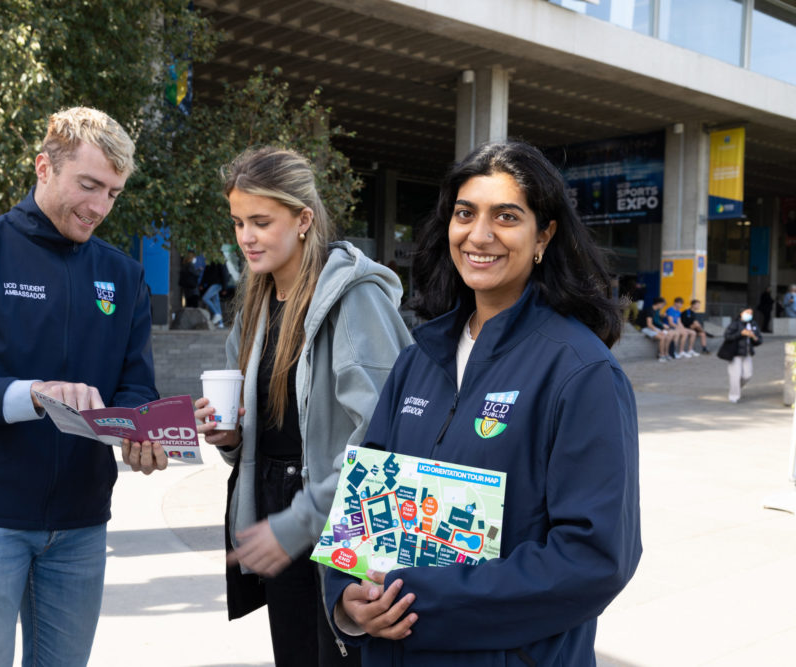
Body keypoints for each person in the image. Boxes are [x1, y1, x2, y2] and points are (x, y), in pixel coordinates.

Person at [325, 141, 642, 666]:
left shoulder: (581, 373)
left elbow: (595, 558)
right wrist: (344, 595)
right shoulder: (418, 357)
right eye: (465, 213)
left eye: (507, 217)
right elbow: (359, 504)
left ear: (544, 235)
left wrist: (420, 595)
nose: (479, 235)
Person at [0, 107, 166, 667]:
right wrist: (30, 395)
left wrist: (140, 430)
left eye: (113, 193)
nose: (99, 208)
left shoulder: (124, 276)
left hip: (82, 523)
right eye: (88, 185)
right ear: (44, 167)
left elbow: (135, 386)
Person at [194, 147, 412, 666]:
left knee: (341, 656)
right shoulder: (255, 303)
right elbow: (269, 424)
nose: (246, 236)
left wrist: (299, 521)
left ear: (303, 219)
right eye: (238, 222)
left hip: (341, 515)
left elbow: (387, 436)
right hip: (278, 507)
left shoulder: (355, 298)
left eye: (261, 221)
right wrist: (230, 439)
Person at [716, 307, 763, 403]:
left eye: (751, 313)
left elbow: (759, 340)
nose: (749, 315)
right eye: (747, 313)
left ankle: (736, 387)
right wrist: (741, 333)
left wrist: (753, 337)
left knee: (748, 375)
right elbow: (727, 336)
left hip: (747, 353)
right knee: (735, 375)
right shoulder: (735, 324)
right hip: (735, 353)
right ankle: (734, 395)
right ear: (741, 313)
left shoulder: (753, 324)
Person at [639, 296, 673, 362]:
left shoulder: (656, 310)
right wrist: (658, 331)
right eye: (663, 304)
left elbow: (656, 321)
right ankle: (661, 355)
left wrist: (661, 329)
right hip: (645, 328)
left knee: (668, 335)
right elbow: (649, 325)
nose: (663, 306)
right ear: (659, 304)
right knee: (662, 337)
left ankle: (666, 354)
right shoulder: (650, 310)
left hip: (652, 328)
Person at [201, 260, 227, 327]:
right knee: (216, 303)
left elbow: (224, 274)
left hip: (217, 284)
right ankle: (221, 323)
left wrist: (224, 287)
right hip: (213, 284)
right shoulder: (209, 261)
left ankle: (217, 314)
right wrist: (202, 284)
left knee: (205, 298)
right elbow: (206, 273)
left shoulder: (219, 261)